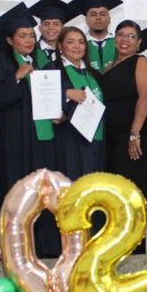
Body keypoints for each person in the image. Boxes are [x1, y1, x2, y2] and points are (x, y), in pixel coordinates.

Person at [0, 2, 62, 257]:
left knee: (44, 192)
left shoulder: (46, 63)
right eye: (22, 36)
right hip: (15, 137)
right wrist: (17, 77)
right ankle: (15, 251)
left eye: (32, 35)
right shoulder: (2, 64)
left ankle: (46, 250)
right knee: (19, 192)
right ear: (10, 40)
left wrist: (58, 114)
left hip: (42, 138)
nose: (29, 40)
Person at [99, 20, 147, 254]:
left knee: (132, 190)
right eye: (121, 35)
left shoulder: (141, 62)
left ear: (139, 42)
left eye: (131, 36)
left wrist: (134, 134)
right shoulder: (109, 67)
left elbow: (144, 98)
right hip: (110, 137)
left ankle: (135, 248)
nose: (125, 40)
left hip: (132, 135)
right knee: (113, 192)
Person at [69, 0, 147, 72]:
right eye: (93, 14)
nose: (98, 18)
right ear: (86, 20)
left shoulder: (124, 43)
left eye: (102, 14)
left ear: (109, 19)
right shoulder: (77, 46)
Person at [52, 25, 106, 181]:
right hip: (70, 141)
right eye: (70, 42)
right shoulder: (53, 69)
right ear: (60, 46)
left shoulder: (93, 73)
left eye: (81, 42)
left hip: (96, 139)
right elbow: (41, 98)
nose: (77, 46)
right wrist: (66, 93)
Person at [29, 0, 78, 69]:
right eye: (46, 24)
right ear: (40, 28)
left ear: (63, 28)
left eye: (56, 24)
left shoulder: (72, 51)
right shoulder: (31, 51)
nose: (51, 28)